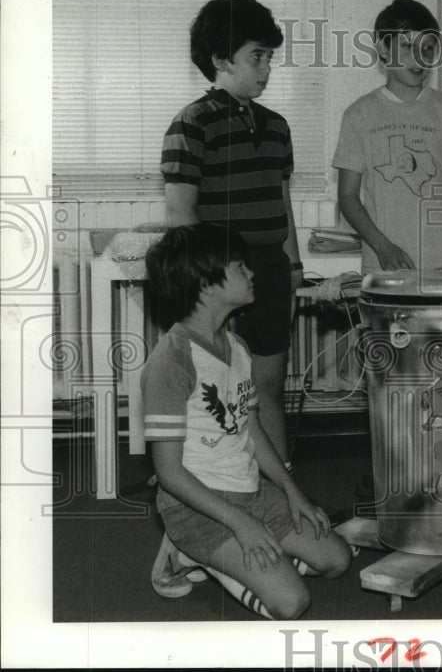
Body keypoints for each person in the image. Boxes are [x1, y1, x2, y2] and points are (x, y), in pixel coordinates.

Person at [142, 223, 351, 619]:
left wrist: (293, 493)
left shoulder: (237, 346)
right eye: (239, 267)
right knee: (291, 603)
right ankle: (186, 550)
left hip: (250, 492)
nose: (251, 273)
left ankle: (256, 558)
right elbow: (168, 474)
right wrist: (242, 524)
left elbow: (252, 429)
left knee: (336, 560)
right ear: (206, 286)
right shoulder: (170, 361)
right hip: (197, 510)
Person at [161, 0, 302, 466]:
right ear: (221, 60)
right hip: (222, 276)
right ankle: (226, 493)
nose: (266, 69)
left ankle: (282, 496)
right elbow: (182, 215)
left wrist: (293, 263)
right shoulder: (192, 123)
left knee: (268, 385)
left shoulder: (277, 126)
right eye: (255, 57)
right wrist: (213, 283)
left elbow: (282, 203)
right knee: (225, 395)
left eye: (270, 58)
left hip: (271, 270)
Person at [333, 0, 442, 274]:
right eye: (408, 47)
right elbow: (347, 197)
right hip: (384, 262)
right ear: (384, 48)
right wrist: (383, 247)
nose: (419, 59)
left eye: (428, 48)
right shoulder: (358, 114)